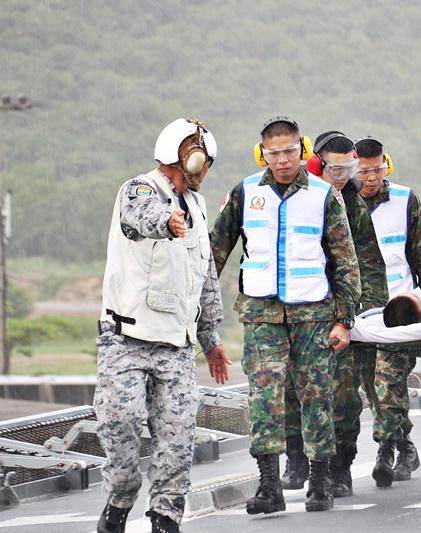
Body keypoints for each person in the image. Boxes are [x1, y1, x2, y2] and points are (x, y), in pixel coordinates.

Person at [210, 116, 360, 513]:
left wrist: (344, 320)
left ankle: (321, 482)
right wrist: (200, 303)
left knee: (316, 396)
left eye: (289, 151)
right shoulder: (244, 193)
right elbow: (216, 252)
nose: (281, 160)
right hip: (261, 314)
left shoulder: (325, 195)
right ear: (263, 154)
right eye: (273, 153)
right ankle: (269, 486)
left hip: (313, 313)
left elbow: (345, 260)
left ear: (303, 151)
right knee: (263, 398)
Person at [95, 118, 230, 533]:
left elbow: (205, 276)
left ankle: (166, 516)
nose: (206, 171)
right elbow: (142, 215)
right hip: (126, 340)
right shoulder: (138, 188)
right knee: (120, 426)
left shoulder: (199, 206)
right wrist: (165, 222)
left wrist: (210, 338)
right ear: (188, 158)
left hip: (176, 345)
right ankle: (120, 497)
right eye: (205, 162)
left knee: (176, 439)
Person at [282, 131, 389, 498]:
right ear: (317, 164)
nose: (344, 174)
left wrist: (368, 312)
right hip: (298, 314)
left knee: (343, 395)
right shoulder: (297, 197)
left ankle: (340, 467)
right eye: (336, 167)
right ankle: (298, 460)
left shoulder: (354, 204)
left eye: (350, 167)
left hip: (341, 316)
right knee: (295, 392)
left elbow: (370, 264)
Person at [354, 136, 421, 487]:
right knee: (371, 386)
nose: (371, 178)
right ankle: (405, 445)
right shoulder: (340, 204)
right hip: (360, 316)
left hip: (400, 313)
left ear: (386, 165)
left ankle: (385, 450)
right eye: (364, 171)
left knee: (388, 380)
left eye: (377, 170)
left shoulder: (405, 201)